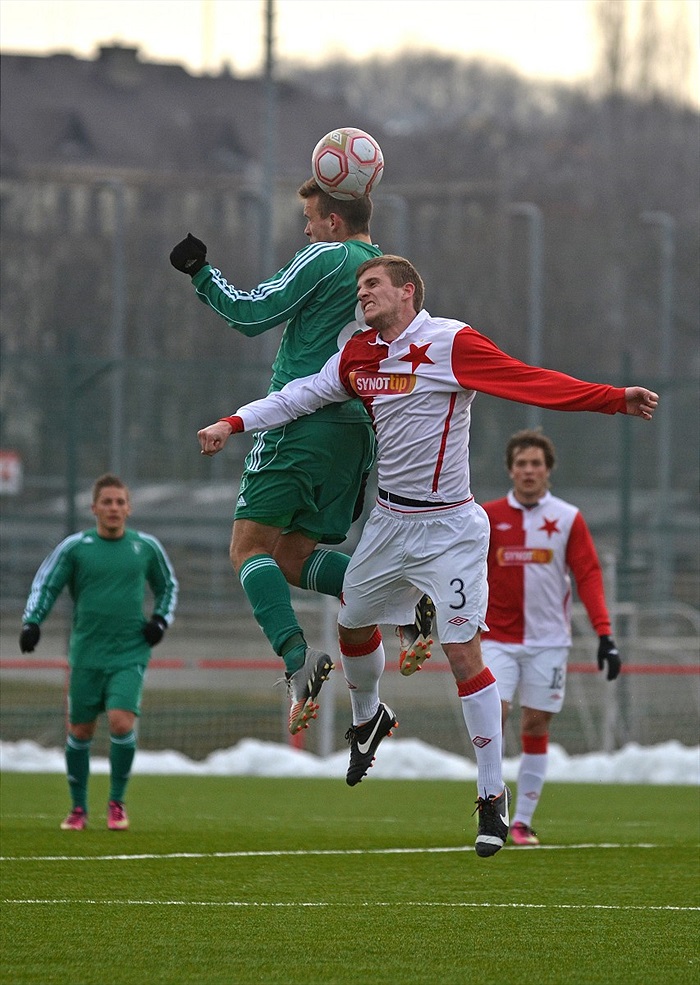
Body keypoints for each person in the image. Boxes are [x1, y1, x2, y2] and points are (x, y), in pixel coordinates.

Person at [197, 254, 657, 857]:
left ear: (407, 291)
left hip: (451, 532)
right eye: (360, 287)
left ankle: (492, 800)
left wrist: (611, 399)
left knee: (464, 653)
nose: (361, 294)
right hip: (389, 524)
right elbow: (300, 395)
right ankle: (368, 716)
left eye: (372, 285)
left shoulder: (450, 342)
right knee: (352, 622)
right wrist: (233, 422)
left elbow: (529, 380)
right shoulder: (360, 353)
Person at [169, 181, 431, 736]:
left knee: (247, 547)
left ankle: (299, 660)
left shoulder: (329, 257)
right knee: (291, 557)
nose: (306, 229)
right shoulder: (381, 273)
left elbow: (250, 313)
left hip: (302, 422)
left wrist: (200, 273)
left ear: (334, 221)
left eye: (310, 218)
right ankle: (407, 604)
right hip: (358, 432)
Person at [481, 429, 621, 846]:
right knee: (493, 715)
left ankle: (522, 821)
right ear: (510, 469)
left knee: (535, 722)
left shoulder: (566, 518)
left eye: (535, 464)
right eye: (521, 463)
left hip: (548, 641)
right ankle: (490, 807)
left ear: (548, 470)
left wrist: (605, 634)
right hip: (496, 638)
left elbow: (588, 575)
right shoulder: (486, 517)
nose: (528, 471)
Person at [19, 474, 178, 831]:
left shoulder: (145, 547)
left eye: (120, 502)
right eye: (107, 502)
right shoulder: (76, 547)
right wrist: (32, 622)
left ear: (129, 508)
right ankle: (78, 809)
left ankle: (117, 803)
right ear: (94, 508)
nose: (114, 508)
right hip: (87, 653)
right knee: (80, 730)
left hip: (129, 651)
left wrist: (159, 621)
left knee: (122, 721)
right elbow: (46, 585)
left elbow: (167, 586)